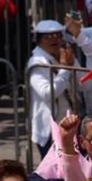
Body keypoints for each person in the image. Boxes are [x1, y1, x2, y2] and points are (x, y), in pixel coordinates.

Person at [27, 20, 75, 157]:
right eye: (48, 36)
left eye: (57, 35)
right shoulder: (36, 63)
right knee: (52, 172)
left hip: (68, 123)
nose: (54, 39)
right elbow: (48, 93)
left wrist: (72, 64)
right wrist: (65, 69)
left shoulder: (63, 56)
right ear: (39, 40)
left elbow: (81, 84)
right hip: (49, 128)